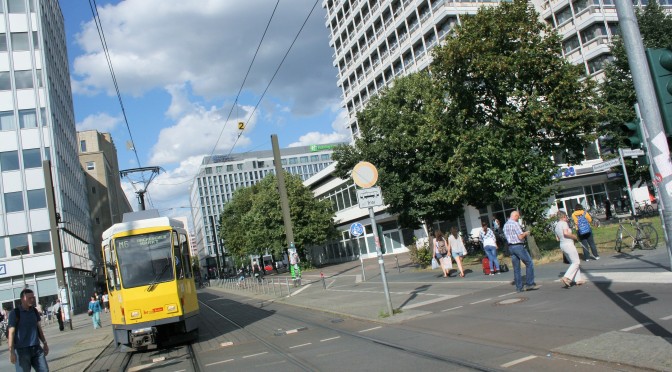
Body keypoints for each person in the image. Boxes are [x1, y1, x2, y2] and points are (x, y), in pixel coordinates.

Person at [8, 288, 49, 372]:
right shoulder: (15, 313)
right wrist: (11, 352)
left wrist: (44, 343)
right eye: (29, 298)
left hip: (36, 348)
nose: (32, 300)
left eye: (33, 297)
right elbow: (11, 333)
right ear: (22, 299)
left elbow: (39, 329)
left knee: (45, 370)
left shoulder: (34, 311)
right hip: (22, 350)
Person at [504, 211, 537, 292]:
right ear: (515, 216)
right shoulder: (515, 224)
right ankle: (529, 283)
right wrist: (525, 233)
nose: (518, 219)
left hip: (511, 247)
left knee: (516, 268)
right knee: (529, 263)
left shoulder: (505, 225)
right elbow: (520, 237)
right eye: (518, 217)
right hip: (518, 246)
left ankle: (519, 287)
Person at [555, 210, 586, 288]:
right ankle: (566, 277)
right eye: (566, 217)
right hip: (568, 244)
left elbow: (557, 238)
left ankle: (578, 279)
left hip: (562, 244)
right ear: (564, 216)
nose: (567, 219)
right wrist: (574, 236)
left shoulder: (557, 226)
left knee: (573, 262)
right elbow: (566, 233)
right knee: (576, 262)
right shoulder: (564, 223)